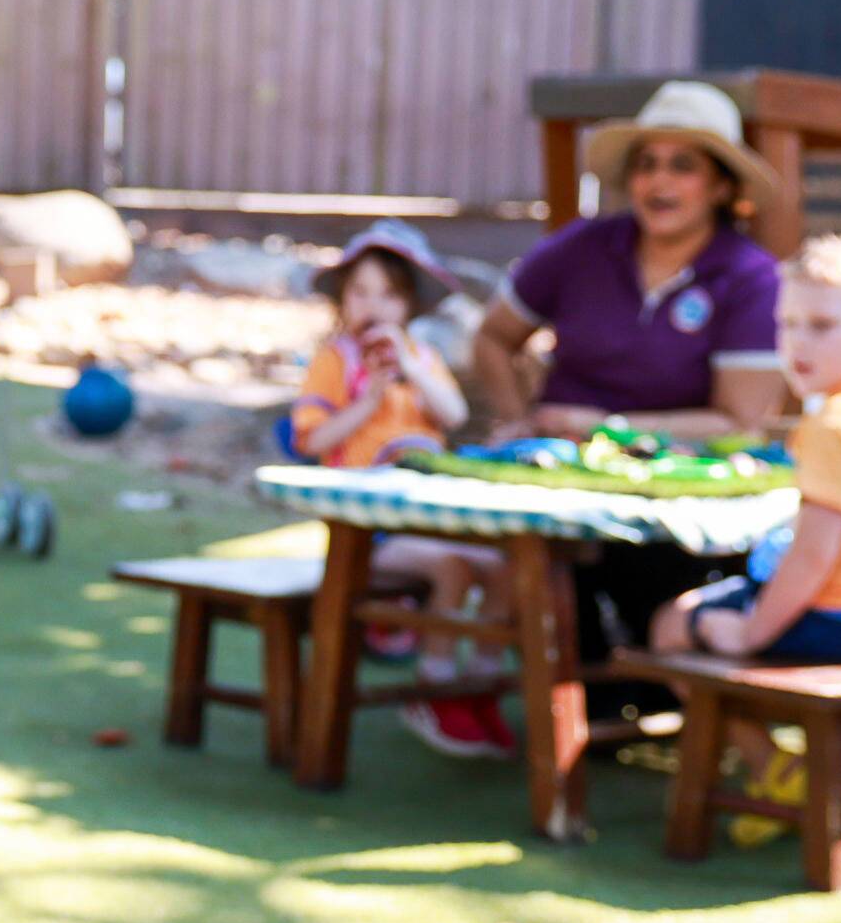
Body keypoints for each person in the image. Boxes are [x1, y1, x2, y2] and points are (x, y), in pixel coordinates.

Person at [467, 79, 792, 659]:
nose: (659, 182)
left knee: (654, 603)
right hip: (560, 481)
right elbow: (493, 337)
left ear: (721, 185)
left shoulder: (750, 278)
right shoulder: (582, 248)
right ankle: (548, 681)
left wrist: (606, 426)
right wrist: (516, 418)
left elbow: (740, 423)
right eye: (647, 164)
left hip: (679, 500)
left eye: (682, 166)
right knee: (543, 571)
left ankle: (643, 677)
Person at [651, 234, 841, 831]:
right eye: (787, 324)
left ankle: (775, 769)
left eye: (820, 325)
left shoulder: (837, 424)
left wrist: (752, 632)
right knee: (733, 601)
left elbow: (814, 556)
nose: (796, 342)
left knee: (673, 623)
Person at [284, 218, 512, 760]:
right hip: (369, 534)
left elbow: (454, 414)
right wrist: (368, 401)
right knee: (453, 568)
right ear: (342, 298)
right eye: (360, 292)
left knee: (505, 567)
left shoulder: (422, 358)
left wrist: (410, 367)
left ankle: (479, 685)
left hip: (429, 521)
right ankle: (433, 689)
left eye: (388, 294)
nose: (374, 306)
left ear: (409, 304)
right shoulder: (334, 360)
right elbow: (310, 440)